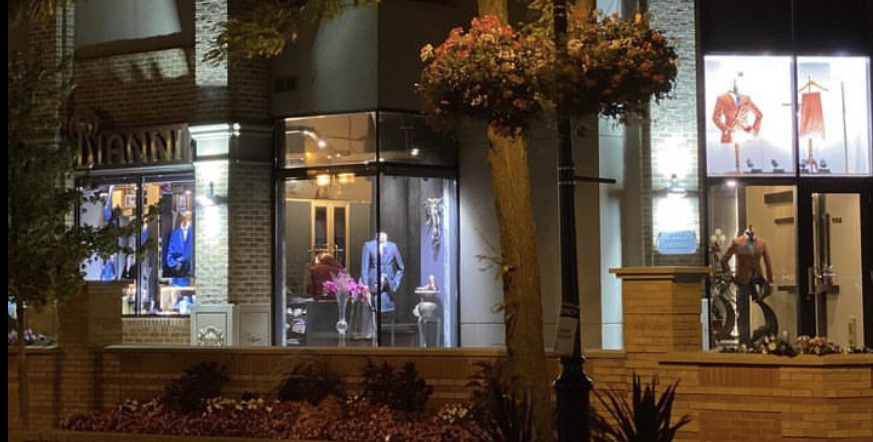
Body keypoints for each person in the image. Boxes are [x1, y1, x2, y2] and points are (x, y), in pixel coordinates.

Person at [720, 225, 773, 347]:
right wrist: (729, 275)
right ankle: (744, 340)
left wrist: (770, 281)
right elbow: (724, 260)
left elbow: (768, 263)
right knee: (742, 310)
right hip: (742, 279)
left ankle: (763, 337)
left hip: (758, 280)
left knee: (763, 307)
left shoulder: (761, 243)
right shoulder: (737, 242)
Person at [712, 72, 763, 173]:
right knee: (729, 167)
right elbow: (716, 118)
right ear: (733, 82)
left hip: (745, 134)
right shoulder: (722, 98)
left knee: (747, 165)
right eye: (736, 81)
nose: (738, 84)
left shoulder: (746, 98)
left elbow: (759, 115)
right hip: (730, 134)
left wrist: (754, 131)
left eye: (741, 81)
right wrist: (726, 129)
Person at [360, 232, 404, 313]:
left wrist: (396, 281)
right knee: (374, 308)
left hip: (389, 283)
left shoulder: (392, 246)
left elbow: (401, 267)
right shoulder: (368, 246)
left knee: (388, 306)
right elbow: (364, 267)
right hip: (374, 282)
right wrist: (365, 284)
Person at [166, 211, 193, 286]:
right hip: (178, 274)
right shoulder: (175, 233)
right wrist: (177, 260)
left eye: (188, 214)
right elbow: (169, 258)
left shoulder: (194, 231)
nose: (187, 216)